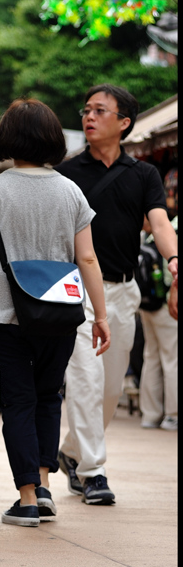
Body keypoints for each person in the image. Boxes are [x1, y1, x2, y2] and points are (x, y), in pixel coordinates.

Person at [0, 98, 110, 527]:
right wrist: (100, 314)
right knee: (49, 398)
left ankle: (27, 496)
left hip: (4, 318)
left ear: (6, 138)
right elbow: (88, 259)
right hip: (61, 315)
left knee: (19, 401)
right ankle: (44, 485)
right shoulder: (71, 190)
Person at [55, 84, 178, 505]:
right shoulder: (68, 173)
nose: (89, 117)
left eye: (100, 111)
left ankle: (71, 454)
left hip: (124, 291)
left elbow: (159, 223)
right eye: (86, 110)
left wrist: (174, 259)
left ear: (124, 123)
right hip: (79, 292)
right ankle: (93, 473)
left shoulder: (144, 175)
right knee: (85, 380)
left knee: (109, 389)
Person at [138, 214, 177, 430]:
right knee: (172, 359)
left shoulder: (148, 235)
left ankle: (150, 415)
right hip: (167, 305)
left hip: (147, 305)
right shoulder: (171, 230)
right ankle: (173, 415)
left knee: (151, 357)